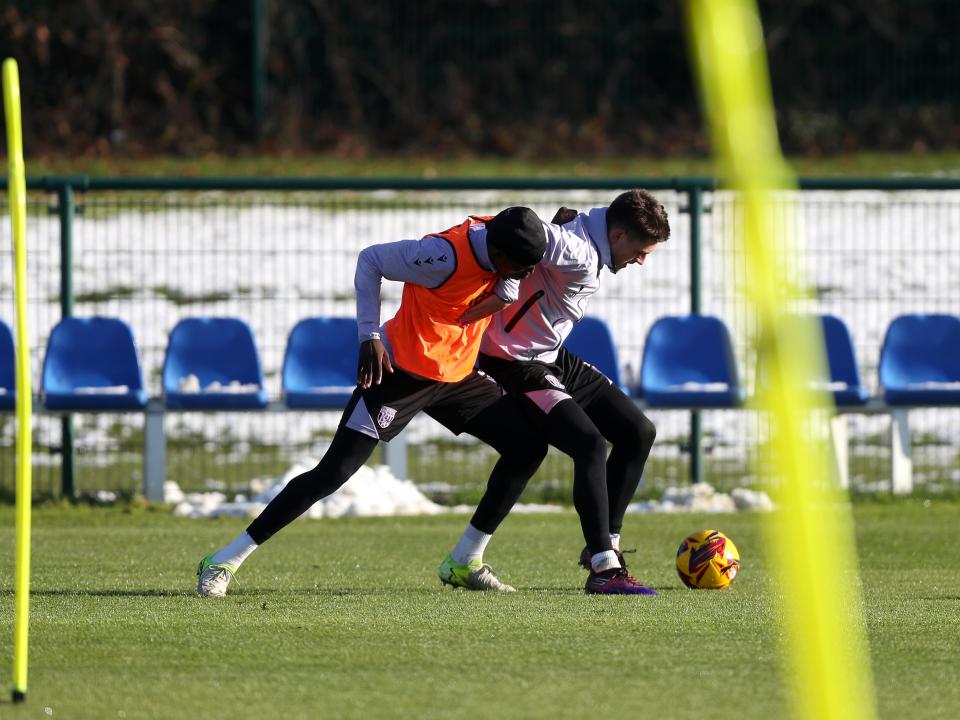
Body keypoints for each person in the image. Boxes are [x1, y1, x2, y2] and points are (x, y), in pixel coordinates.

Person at [196, 207, 549, 597]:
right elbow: (371, 259)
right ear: (499, 253)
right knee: (332, 473)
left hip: (456, 374)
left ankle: (465, 561)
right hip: (399, 374)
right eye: (521, 268)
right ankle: (224, 560)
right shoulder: (441, 257)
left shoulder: (507, 247)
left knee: (527, 446)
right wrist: (369, 336)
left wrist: (503, 291)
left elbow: (510, 278)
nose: (526, 275)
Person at [438, 189, 670, 595]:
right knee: (588, 444)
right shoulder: (577, 250)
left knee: (637, 432)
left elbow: (557, 239)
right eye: (640, 250)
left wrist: (556, 225)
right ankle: (603, 569)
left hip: (549, 354)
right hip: (513, 362)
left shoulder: (590, 231)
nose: (641, 260)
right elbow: (523, 232)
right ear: (617, 236)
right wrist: (541, 229)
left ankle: (605, 546)